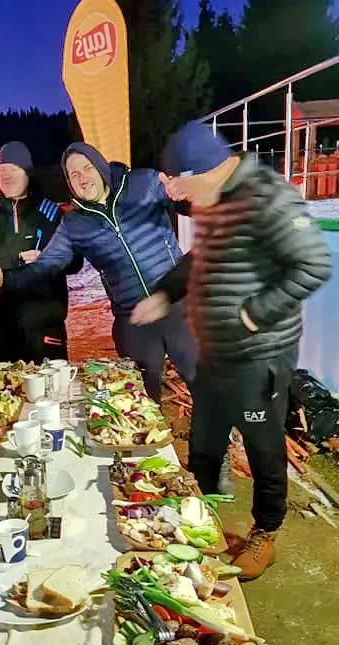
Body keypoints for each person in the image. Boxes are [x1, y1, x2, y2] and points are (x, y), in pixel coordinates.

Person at [130, 121, 331, 579]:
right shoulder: (216, 200)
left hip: (260, 355)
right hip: (216, 351)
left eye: (173, 182)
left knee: (262, 445)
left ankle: (266, 532)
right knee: (204, 439)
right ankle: (198, 520)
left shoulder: (268, 197)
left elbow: (312, 264)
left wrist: (256, 312)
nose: (173, 194)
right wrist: (165, 293)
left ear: (198, 170)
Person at [0, 141, 197, 399]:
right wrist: (5, 279)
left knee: (204, 383)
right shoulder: (74, 224)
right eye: (74, 175)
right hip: (134, 319)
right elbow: (45, 266)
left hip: (178, 306)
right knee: (142, 401)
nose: (83, 178)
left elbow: (189, 205)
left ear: (100, 166)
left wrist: (188, 193)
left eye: (87, 168)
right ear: (70, 184)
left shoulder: (143, 183)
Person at [0, 141, 79, 363]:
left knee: (51, 385)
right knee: (5, 386)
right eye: (2, 169)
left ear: (28, 172)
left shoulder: (51, 214)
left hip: (46, 330)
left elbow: (76, 262)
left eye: (15, 167)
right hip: (1, 334)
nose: (8, 175)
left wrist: (49, 259)